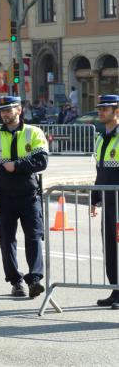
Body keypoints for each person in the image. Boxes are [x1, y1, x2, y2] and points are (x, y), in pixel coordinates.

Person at [0, 96, 49, 298]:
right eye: (2, 111)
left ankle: (34, 280)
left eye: (9, 110)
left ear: (19, 109)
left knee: (34, 238)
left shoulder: (33, 132)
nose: (5, 114)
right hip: (4, 198)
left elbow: (42, 161)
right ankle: (16, 282)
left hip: (29, 196)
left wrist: (16, 166)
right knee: (6, 240)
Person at [90, 95, 119, 309]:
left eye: (105, 109)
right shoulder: (101, 137)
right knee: (109, 248)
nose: (101, 112)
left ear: (116, 111)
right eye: (100, 108)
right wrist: (94, 198)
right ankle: (116, 289)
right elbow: (100, 171)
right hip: (108, 201)